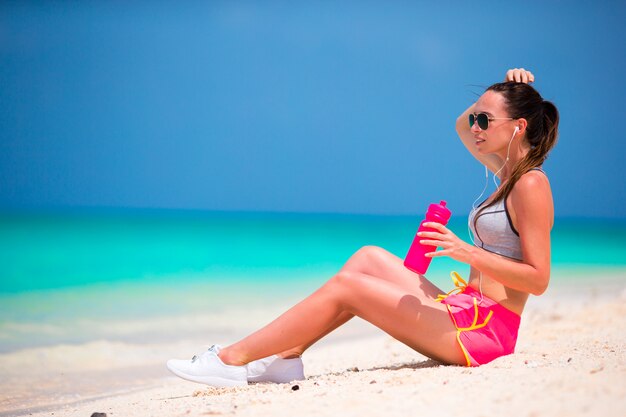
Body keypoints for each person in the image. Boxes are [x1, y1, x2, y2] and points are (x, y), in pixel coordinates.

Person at [166, 68, 559, 387]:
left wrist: (466, 251)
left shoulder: (530, 184)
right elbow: (459, 127)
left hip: (485, 333)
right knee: (368, 257)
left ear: (519, 126)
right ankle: (286, 358)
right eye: (477, 117)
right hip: (464, 310)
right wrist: (502, 87)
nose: (475, 126)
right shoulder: (506, 173)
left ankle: (230, 359)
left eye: (485, 120)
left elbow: (538, 280)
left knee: (348, 289)